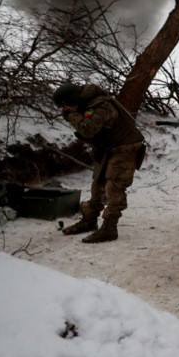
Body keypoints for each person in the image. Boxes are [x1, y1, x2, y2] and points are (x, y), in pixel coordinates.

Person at [52, 82, 146, 244]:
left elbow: (88, 129)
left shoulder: (101, 106)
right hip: (108, 148)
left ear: (74, 99)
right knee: (98, 185)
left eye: (67, 105)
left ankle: (110, 227)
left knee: (114, 186)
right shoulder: (87, 104)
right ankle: (89, 220)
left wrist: (72, 116)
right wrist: (72, 113)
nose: (66, 109)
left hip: (125, 148)